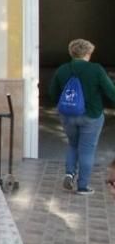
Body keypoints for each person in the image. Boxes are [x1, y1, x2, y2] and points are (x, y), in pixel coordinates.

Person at [49, 38, 115, 195]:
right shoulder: (96, 69)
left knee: (73, 144)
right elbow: (111, 92)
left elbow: (52, 93)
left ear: (72, 53)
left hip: (68, 115)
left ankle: (69, 173)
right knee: (86, 150)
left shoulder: (62, 69)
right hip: (91, 116)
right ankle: (83, 186)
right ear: (88, 53)